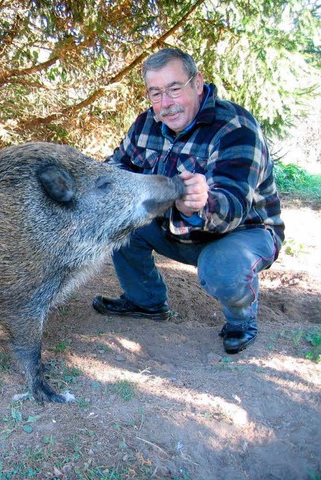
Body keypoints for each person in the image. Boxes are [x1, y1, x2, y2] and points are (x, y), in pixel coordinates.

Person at [92, 48, 285, 354]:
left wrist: (200, 204)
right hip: (173, 229)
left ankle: (240, 320)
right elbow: (117, 169)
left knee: (222, 266)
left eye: (174, 89)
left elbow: (233, 208)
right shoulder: (145, 124)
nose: (166, 104)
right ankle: (146, 302)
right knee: (119, 221)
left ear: (198, 83)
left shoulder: (236, 128)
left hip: (240, 233)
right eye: (156, 93)